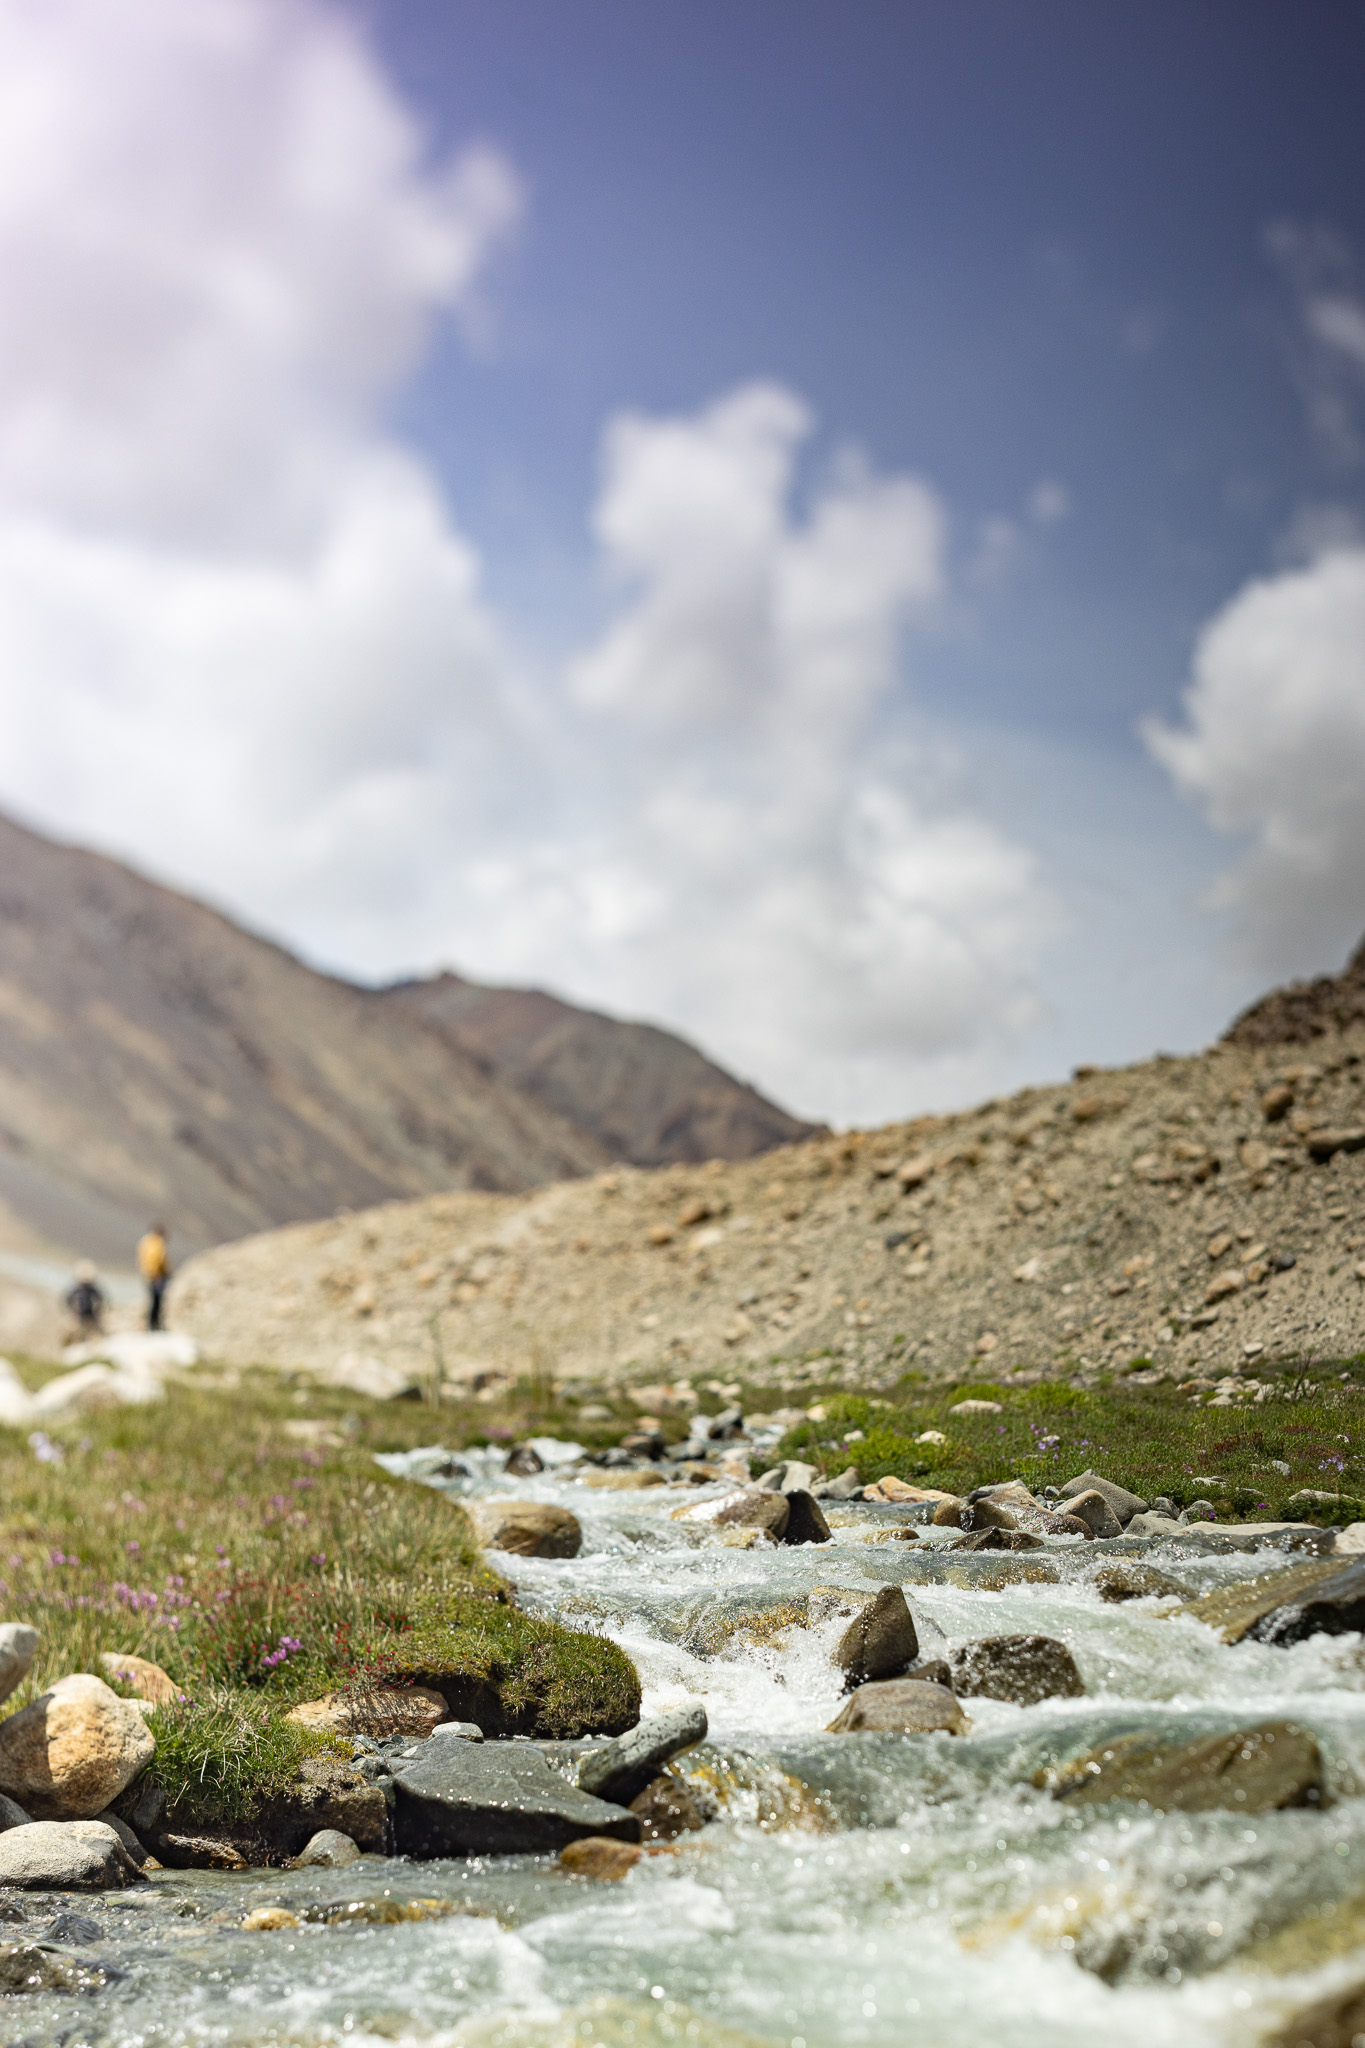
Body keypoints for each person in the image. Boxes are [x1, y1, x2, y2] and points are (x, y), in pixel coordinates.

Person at [136, 1223, 171, 1332]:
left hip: (149, 1276)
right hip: (156, 1276)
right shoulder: (156, 1243)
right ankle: (154, 1325)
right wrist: (156, 1275)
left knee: (154, 1300)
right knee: (157, 1301)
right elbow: (155, 1260)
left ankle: (153, 1324)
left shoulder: (146, 1242)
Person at [64, 1260, 106, 1336]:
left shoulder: (91, 1288)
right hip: (79, 1315)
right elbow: (68, 1299)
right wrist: (72, 1311)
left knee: (96, 1330)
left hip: (91, 1314)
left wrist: (98, 1310)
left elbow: (100, 1299)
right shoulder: (77, 1288)